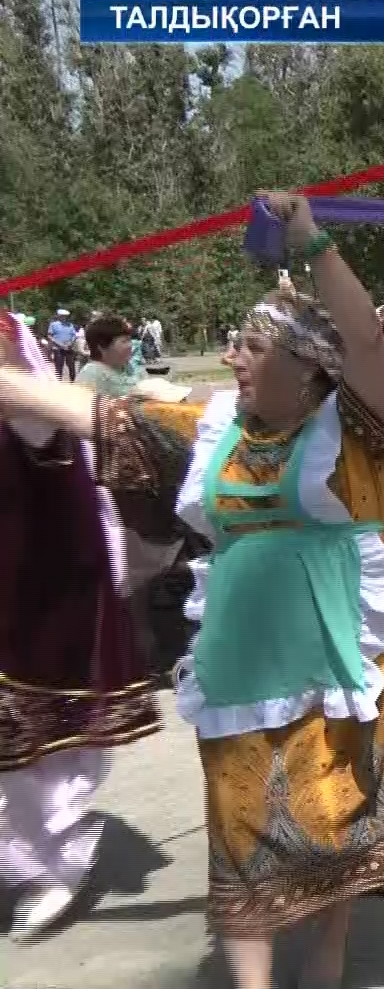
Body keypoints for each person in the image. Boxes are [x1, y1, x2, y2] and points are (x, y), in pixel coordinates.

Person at [0, 192, 384, 989]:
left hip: (340, 664)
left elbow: (367, 341)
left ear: (309, 367)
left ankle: (329, 960)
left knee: (333, 818)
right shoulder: (213, 427)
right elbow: (96, 414)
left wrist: (311, 239)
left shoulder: (358, 431)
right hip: (240, 667)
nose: (233, 358)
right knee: (239, 830)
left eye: (248, 347)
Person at [0, 311, 159, 942]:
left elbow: (51, 427)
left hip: (33, 586)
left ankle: (53, 864)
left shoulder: (17, 362)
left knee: (36, 751)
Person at [44, 310, 79, 381]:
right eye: (62, 316)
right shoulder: (53, 324)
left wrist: (71, 343)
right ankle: (59, 382)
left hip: (69, 348)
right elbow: (50, 336)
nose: (64, 317)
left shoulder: (70, 325)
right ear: (59, 316)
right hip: (58, 348)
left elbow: (74, 335)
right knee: (59, 367)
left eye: (65, 316)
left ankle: (72, 381)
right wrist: (59, 344)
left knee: (71, 366)